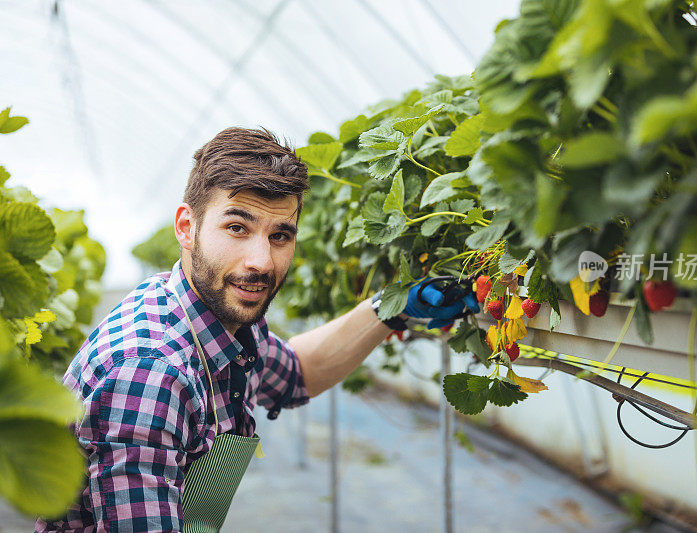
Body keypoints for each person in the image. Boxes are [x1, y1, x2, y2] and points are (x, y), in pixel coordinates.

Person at [35, 127, 478, 532]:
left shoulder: (215, 321)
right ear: (186, 228)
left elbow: (297, 372)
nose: (261, 262)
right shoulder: (150, 374)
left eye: (280, 236)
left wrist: (392, 308)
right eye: (236, 227)